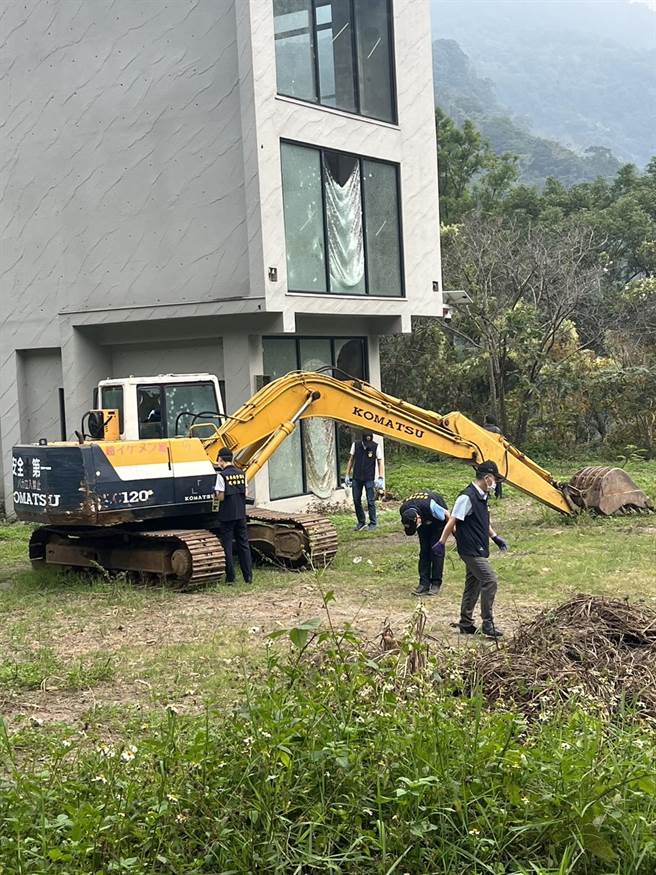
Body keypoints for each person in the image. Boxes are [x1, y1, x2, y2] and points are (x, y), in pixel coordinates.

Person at [434, 460, 508, 638]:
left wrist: (495, 537)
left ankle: (466, 623)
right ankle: (487, 624)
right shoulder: (467, 497)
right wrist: (442, 542)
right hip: (470, 549)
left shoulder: (481, 496)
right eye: (495, 479)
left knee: (473, 583)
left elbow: (483, 521)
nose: (496, 483)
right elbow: (452, 520)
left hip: (478, 546)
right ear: (487, 478)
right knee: (490, 580)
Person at [213, 447, 253, 585]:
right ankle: (248, 577)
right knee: (244, 544)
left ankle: (231, 578)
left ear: (221, 459)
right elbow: (245, 493)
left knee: (227, 546)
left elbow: (221, 497)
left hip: (227, 515)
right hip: (241, 514)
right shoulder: (241, 473)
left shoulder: (221, 475)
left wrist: (216, 494)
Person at [399, 490, 450, 596]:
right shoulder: (404, 510)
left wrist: (455, 532)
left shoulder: (431, 506)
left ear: (417, 518)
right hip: (424, 518)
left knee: (436, 550)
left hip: (438, 520)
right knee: (424, 551)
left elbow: (447, 514)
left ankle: (436, 583)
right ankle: (423, 583)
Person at [344, 431, 384, 531]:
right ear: (363, 439)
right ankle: (361, 522)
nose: (368, 445)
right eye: (366, 442)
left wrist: (380, 477)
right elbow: (351, 460)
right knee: (356, 500)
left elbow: (380, 462)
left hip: (369, 478)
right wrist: (347, 474)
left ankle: (373, 523)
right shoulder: (356, 445)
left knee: (370, 501)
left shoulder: (375, 446)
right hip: (357, 478)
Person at [483, 415, 503, 499]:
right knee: (497, 474)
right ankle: (498, 493)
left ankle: (486, 493)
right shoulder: (496, 430)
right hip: (495, 455)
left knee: (484, 474)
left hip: (484, 454)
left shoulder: (481, 429)